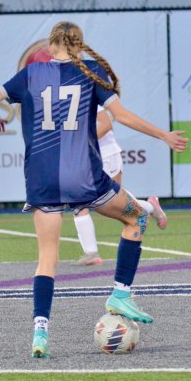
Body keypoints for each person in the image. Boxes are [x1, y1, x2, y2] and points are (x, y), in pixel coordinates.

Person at [0, 21, 188, 358]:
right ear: (79, 47)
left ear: (50, 48)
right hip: (84, 177)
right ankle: (120, 293)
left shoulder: (31, 75)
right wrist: (164, 136)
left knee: (47, 259)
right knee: (135, 219)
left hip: (42, 179)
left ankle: (40, 334)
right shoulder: (91, 72)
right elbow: (119, 115)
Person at [71, 106, 122, 266]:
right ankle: (91, 254)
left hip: (106, 155)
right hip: (86, 159)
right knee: (78, 202)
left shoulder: (85, 95)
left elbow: (106, 124)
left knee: (116, 206)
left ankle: (149, 207)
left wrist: (81, 142)